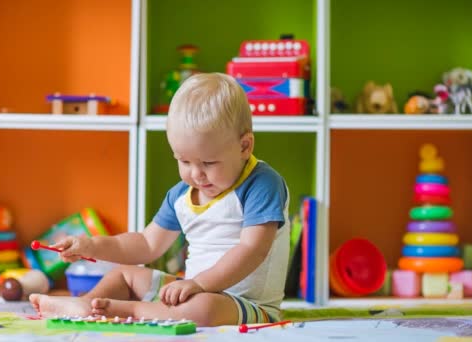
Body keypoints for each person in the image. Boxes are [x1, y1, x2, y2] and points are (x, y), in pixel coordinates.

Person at [30, 73, 291, 327]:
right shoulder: (182, 194)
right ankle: (87, 304)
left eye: (209, 163)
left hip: (245, 304)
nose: (196, 174)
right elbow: (146, 244)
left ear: (245, 146)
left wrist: (200, 284)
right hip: (190, 291)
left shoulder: (261, 184)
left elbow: (252, 249)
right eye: (184, 161)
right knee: (124, 274)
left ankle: (130, 310)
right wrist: (91, 246)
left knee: (204, 309)